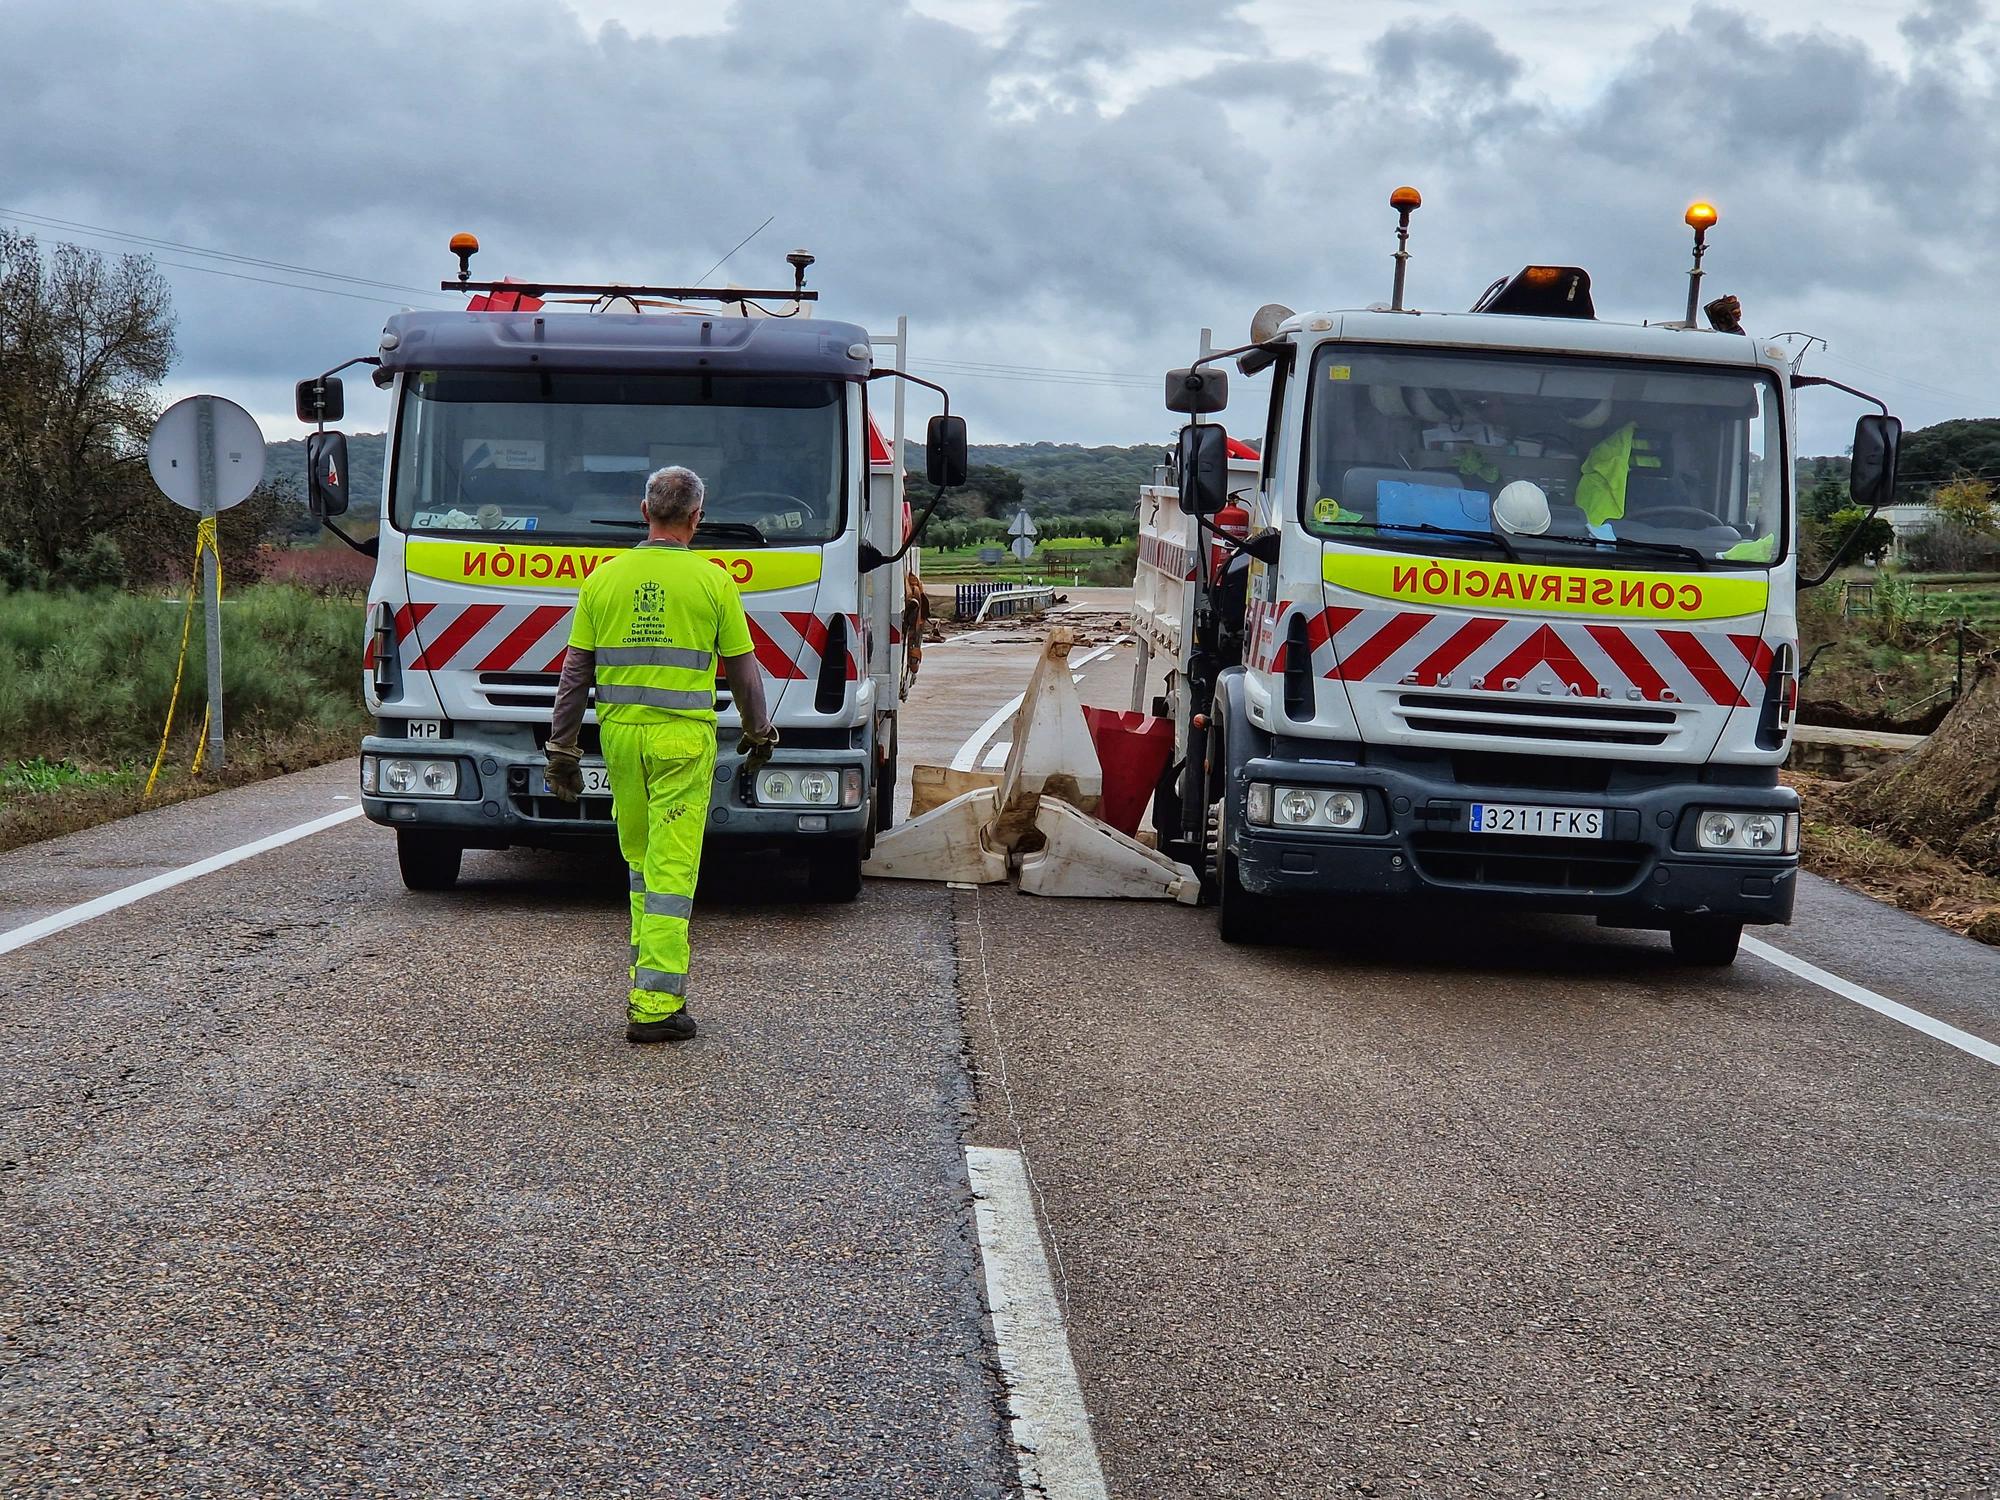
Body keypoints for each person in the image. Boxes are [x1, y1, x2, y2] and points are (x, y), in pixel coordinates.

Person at [544, 466, 779, 1044]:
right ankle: (653, 1003)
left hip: (621, 740)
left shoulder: (604, 579)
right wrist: (759, 731)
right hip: (682, 742)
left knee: (643, 863)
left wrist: (563, 748)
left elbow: (576, 673)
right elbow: (743, 669)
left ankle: (644, 977)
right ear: (697, 518)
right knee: (673, 870)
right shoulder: (712, 581)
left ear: (642, 510)